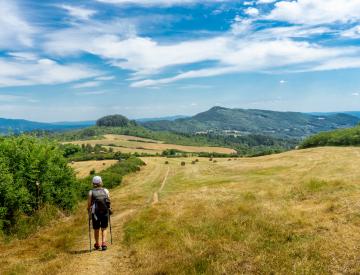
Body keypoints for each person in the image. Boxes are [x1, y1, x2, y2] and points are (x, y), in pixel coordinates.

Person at [87, 176, 111, 251]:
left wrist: (89, 212)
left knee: (96, 229)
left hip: (95, 214)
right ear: (101, 182)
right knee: (104, 228)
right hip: (104, 212)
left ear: (93, 183)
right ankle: (103, 243)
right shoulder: (106, 191)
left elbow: (89, 204)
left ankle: (97, 244)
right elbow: (109, 201)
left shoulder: (91, 192)